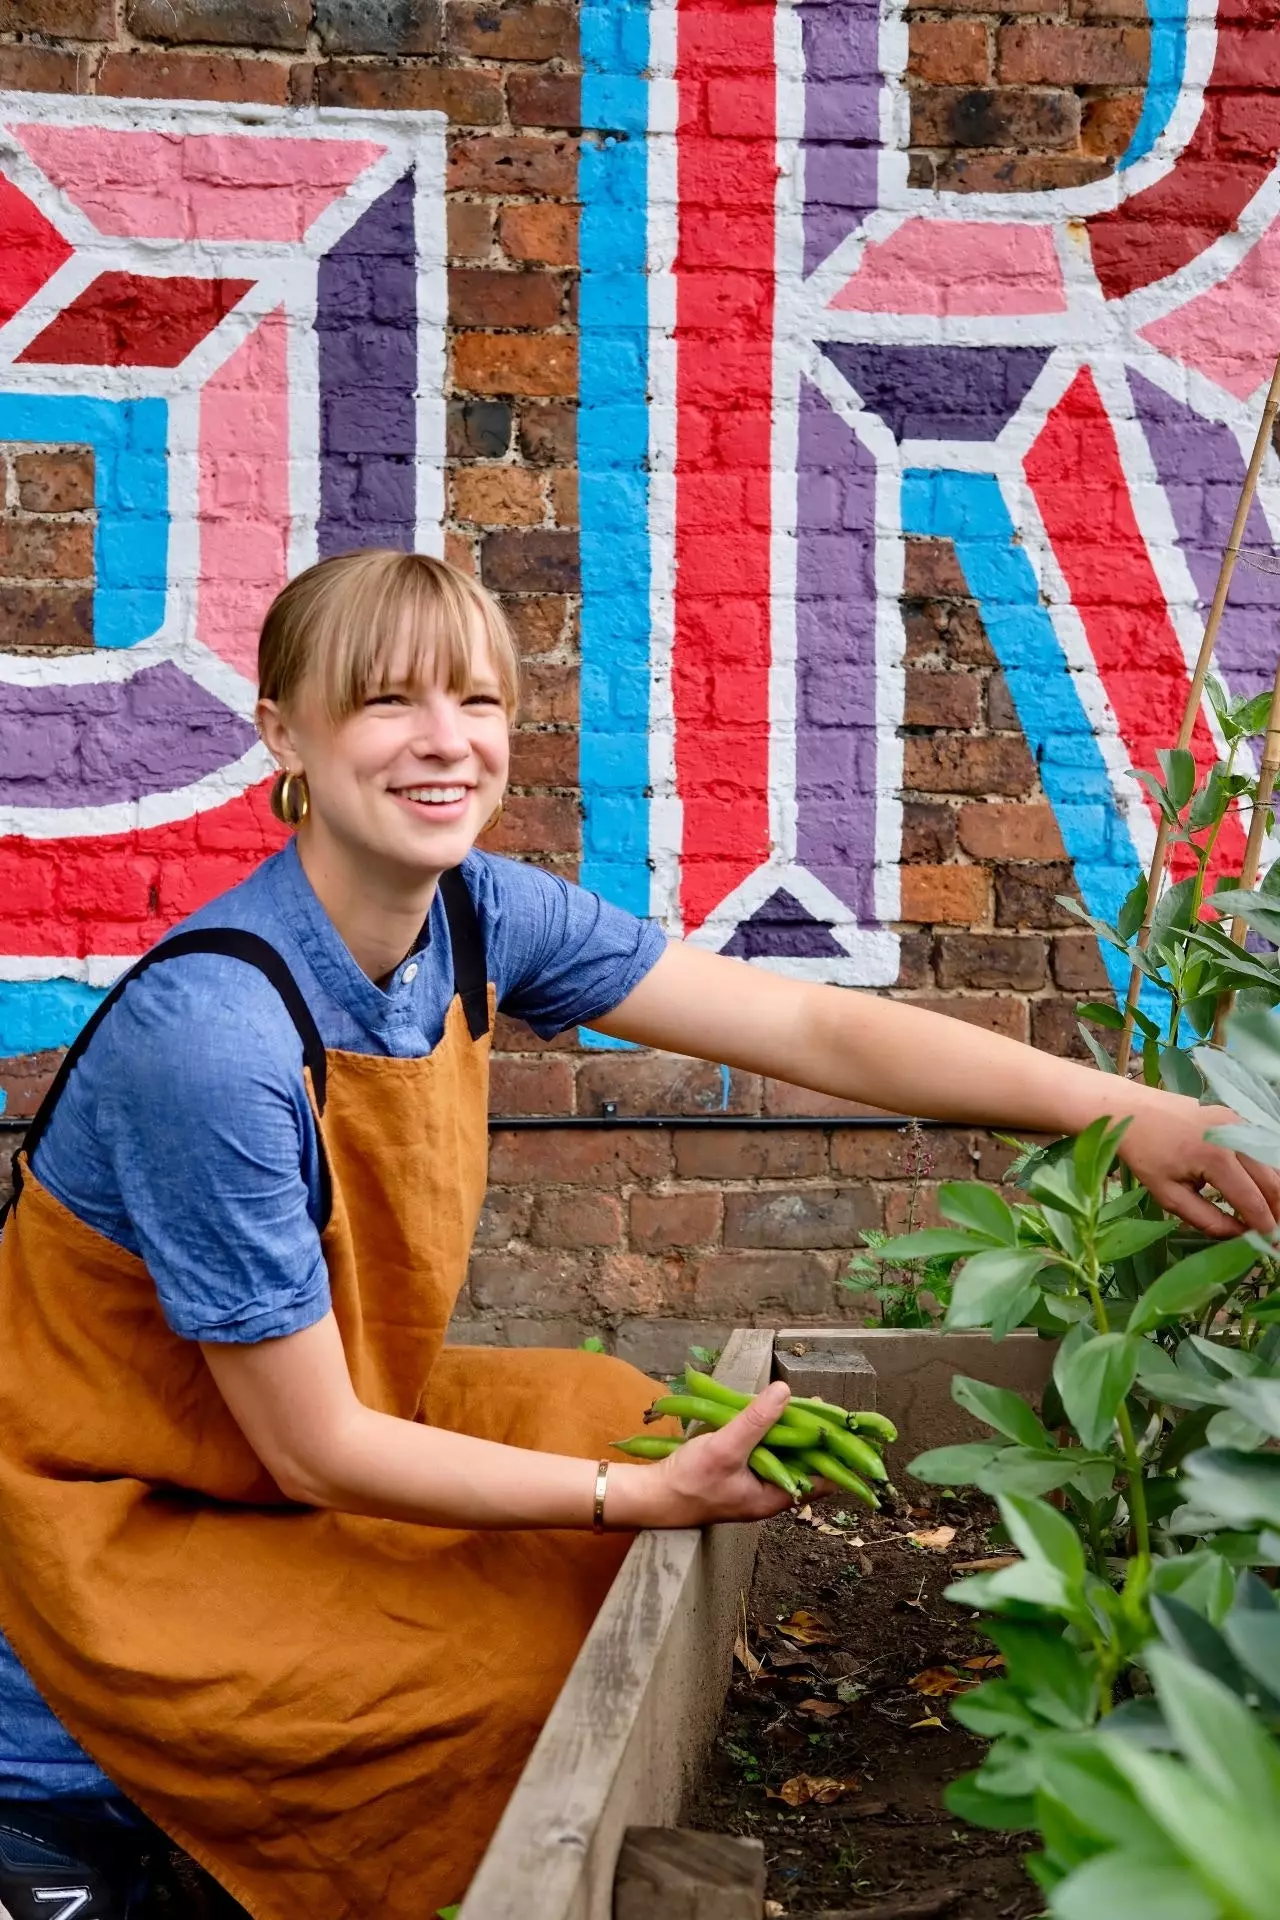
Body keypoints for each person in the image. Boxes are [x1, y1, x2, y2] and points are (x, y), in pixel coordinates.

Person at [0, 550, 1273, 1920]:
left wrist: (1134, 1114)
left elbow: (808, 1025)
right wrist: (636, 1503)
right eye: (385, 702)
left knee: (621, 1414)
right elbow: (316, 1450)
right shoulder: (220, 1043)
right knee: (532, 1660)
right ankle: (82, 1842)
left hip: (284, 1442)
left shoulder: (479, 917)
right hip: (103, 1543)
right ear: (283, 734)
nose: (446, 742)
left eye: (478, 700)